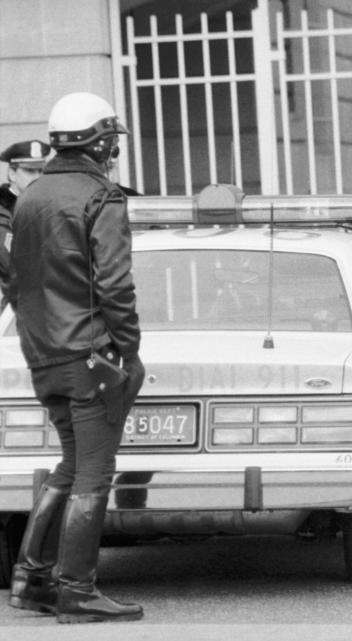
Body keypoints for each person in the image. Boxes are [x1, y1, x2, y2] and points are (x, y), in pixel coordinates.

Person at [3, 92, 145, 622]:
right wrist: (126, 350)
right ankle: (77, 590)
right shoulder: (100, 196)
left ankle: (32, 580)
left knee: (69, 465)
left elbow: (16, 284)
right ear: (102, 141)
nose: (115, 150)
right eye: (113, 141)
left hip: (44, 355)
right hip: (91, 355)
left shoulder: (30, 195)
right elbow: (115, 285)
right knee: (93, 473)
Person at [0, 139, 50, 310]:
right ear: (12, 174)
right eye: (29, 171)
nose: (37, 178)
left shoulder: (47, 209)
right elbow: (13, 267)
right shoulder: (3, 214)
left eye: (41, 171)